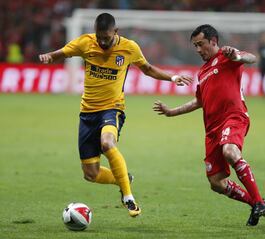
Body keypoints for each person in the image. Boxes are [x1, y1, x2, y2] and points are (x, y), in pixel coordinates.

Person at [38, 13, 192, 217]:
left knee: (108, 143)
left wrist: (172, 77)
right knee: (90, 174)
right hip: (87, 113)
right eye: (99, 37)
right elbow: (64, 53)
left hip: (112, 108)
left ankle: (128, 197)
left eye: (107, 38)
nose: (102, 41)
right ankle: (123, 178)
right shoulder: (86, 42)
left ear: (116, 32)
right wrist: (50, 56)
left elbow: (147, 69)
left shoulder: (129, 47)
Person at [153, 24, 265, 226]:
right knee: (216, 182)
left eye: (201, 44)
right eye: (195, 46)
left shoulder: (227, 57)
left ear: (213, 41)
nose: (198, 50)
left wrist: (237, 56)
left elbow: (252, 58)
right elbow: (199, 102)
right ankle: (255, 203)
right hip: (212, 130)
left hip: (234, 117)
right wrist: (172, 112)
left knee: (230, 152)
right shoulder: (202, 71)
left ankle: (258, 201)